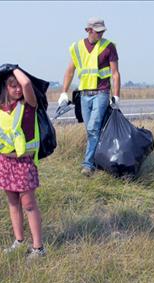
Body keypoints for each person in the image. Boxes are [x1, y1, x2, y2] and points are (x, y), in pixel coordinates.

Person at [0, 64, 46, 260]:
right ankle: (19, 242)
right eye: (12, 85)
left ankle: (38, 248)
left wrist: (13, 68)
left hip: (23, 163)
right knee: (13, 203)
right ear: (5, 87)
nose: (18, 89)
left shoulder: (28, 105)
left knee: (28, 203)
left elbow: (27, 83)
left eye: (18, 85)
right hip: (3, 162)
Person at [58, 17, 121, 177]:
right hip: (84, 94)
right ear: (88, 30)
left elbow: (115, 73)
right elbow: (70, 71)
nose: (100, 35)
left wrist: (116, 95)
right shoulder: (77, 47)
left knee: (93, 129)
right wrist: (64, 92)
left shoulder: (109, 47)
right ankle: (102, 160)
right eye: (97, 31)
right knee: (92, 130)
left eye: (102, 32)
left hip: (102, 92)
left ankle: (87, 165)